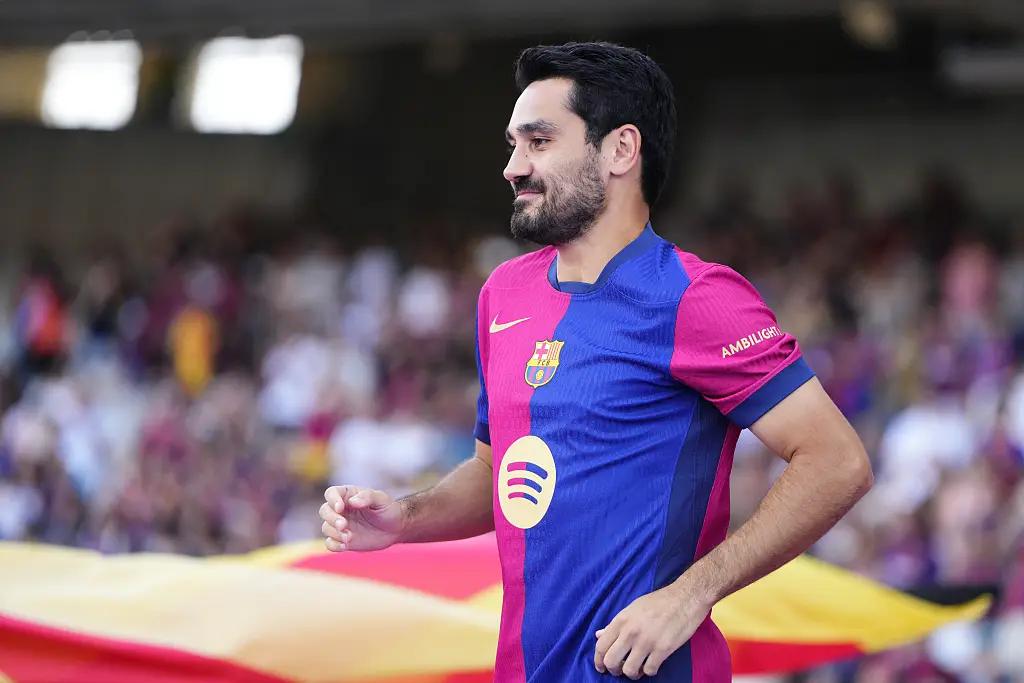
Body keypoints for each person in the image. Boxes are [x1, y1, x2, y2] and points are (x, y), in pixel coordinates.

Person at [319, 41, 873, 682]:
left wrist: (691, 594)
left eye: (539, 141)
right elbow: (496, 471)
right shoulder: (504, 293)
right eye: (513, 145)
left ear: (620, 150)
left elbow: (838, 461)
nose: (513, 167)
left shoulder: (696, 297)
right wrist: (404, 519)